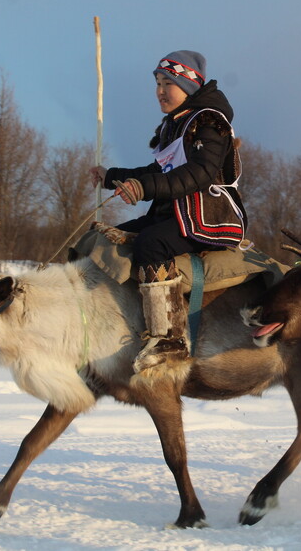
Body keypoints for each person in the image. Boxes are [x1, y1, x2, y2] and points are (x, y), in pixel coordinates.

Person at [90, 50, 246, 374]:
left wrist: (144, 188)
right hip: (171, 214)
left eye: (169, 83)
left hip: (207, 216)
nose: (161, 90)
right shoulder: (173, 126)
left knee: (151, 244)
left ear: (188, 86)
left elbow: (200, 173)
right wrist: (112, 177)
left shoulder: (209, 121)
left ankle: (167, 337)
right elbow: (158, 169)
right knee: (102, 236)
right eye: (158, 83)